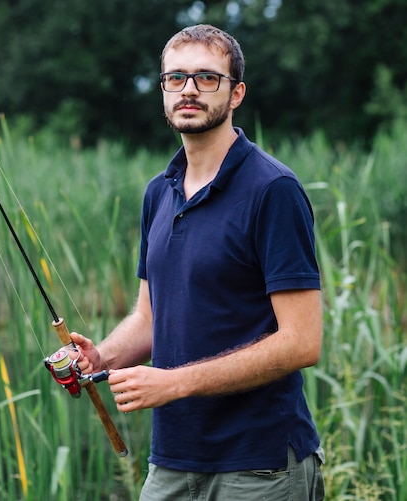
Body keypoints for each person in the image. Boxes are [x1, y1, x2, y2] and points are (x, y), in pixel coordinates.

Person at [69, 24, 325, 500]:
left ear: (236, 93)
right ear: (162, 90)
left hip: (260, 466)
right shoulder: (157, 193)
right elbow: (150, 317)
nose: (188, 89)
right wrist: (100, 357)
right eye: (176, 77)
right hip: (171, 463)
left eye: (207, 78)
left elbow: (302, 342)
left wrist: (175, 383)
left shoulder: (273, 190)